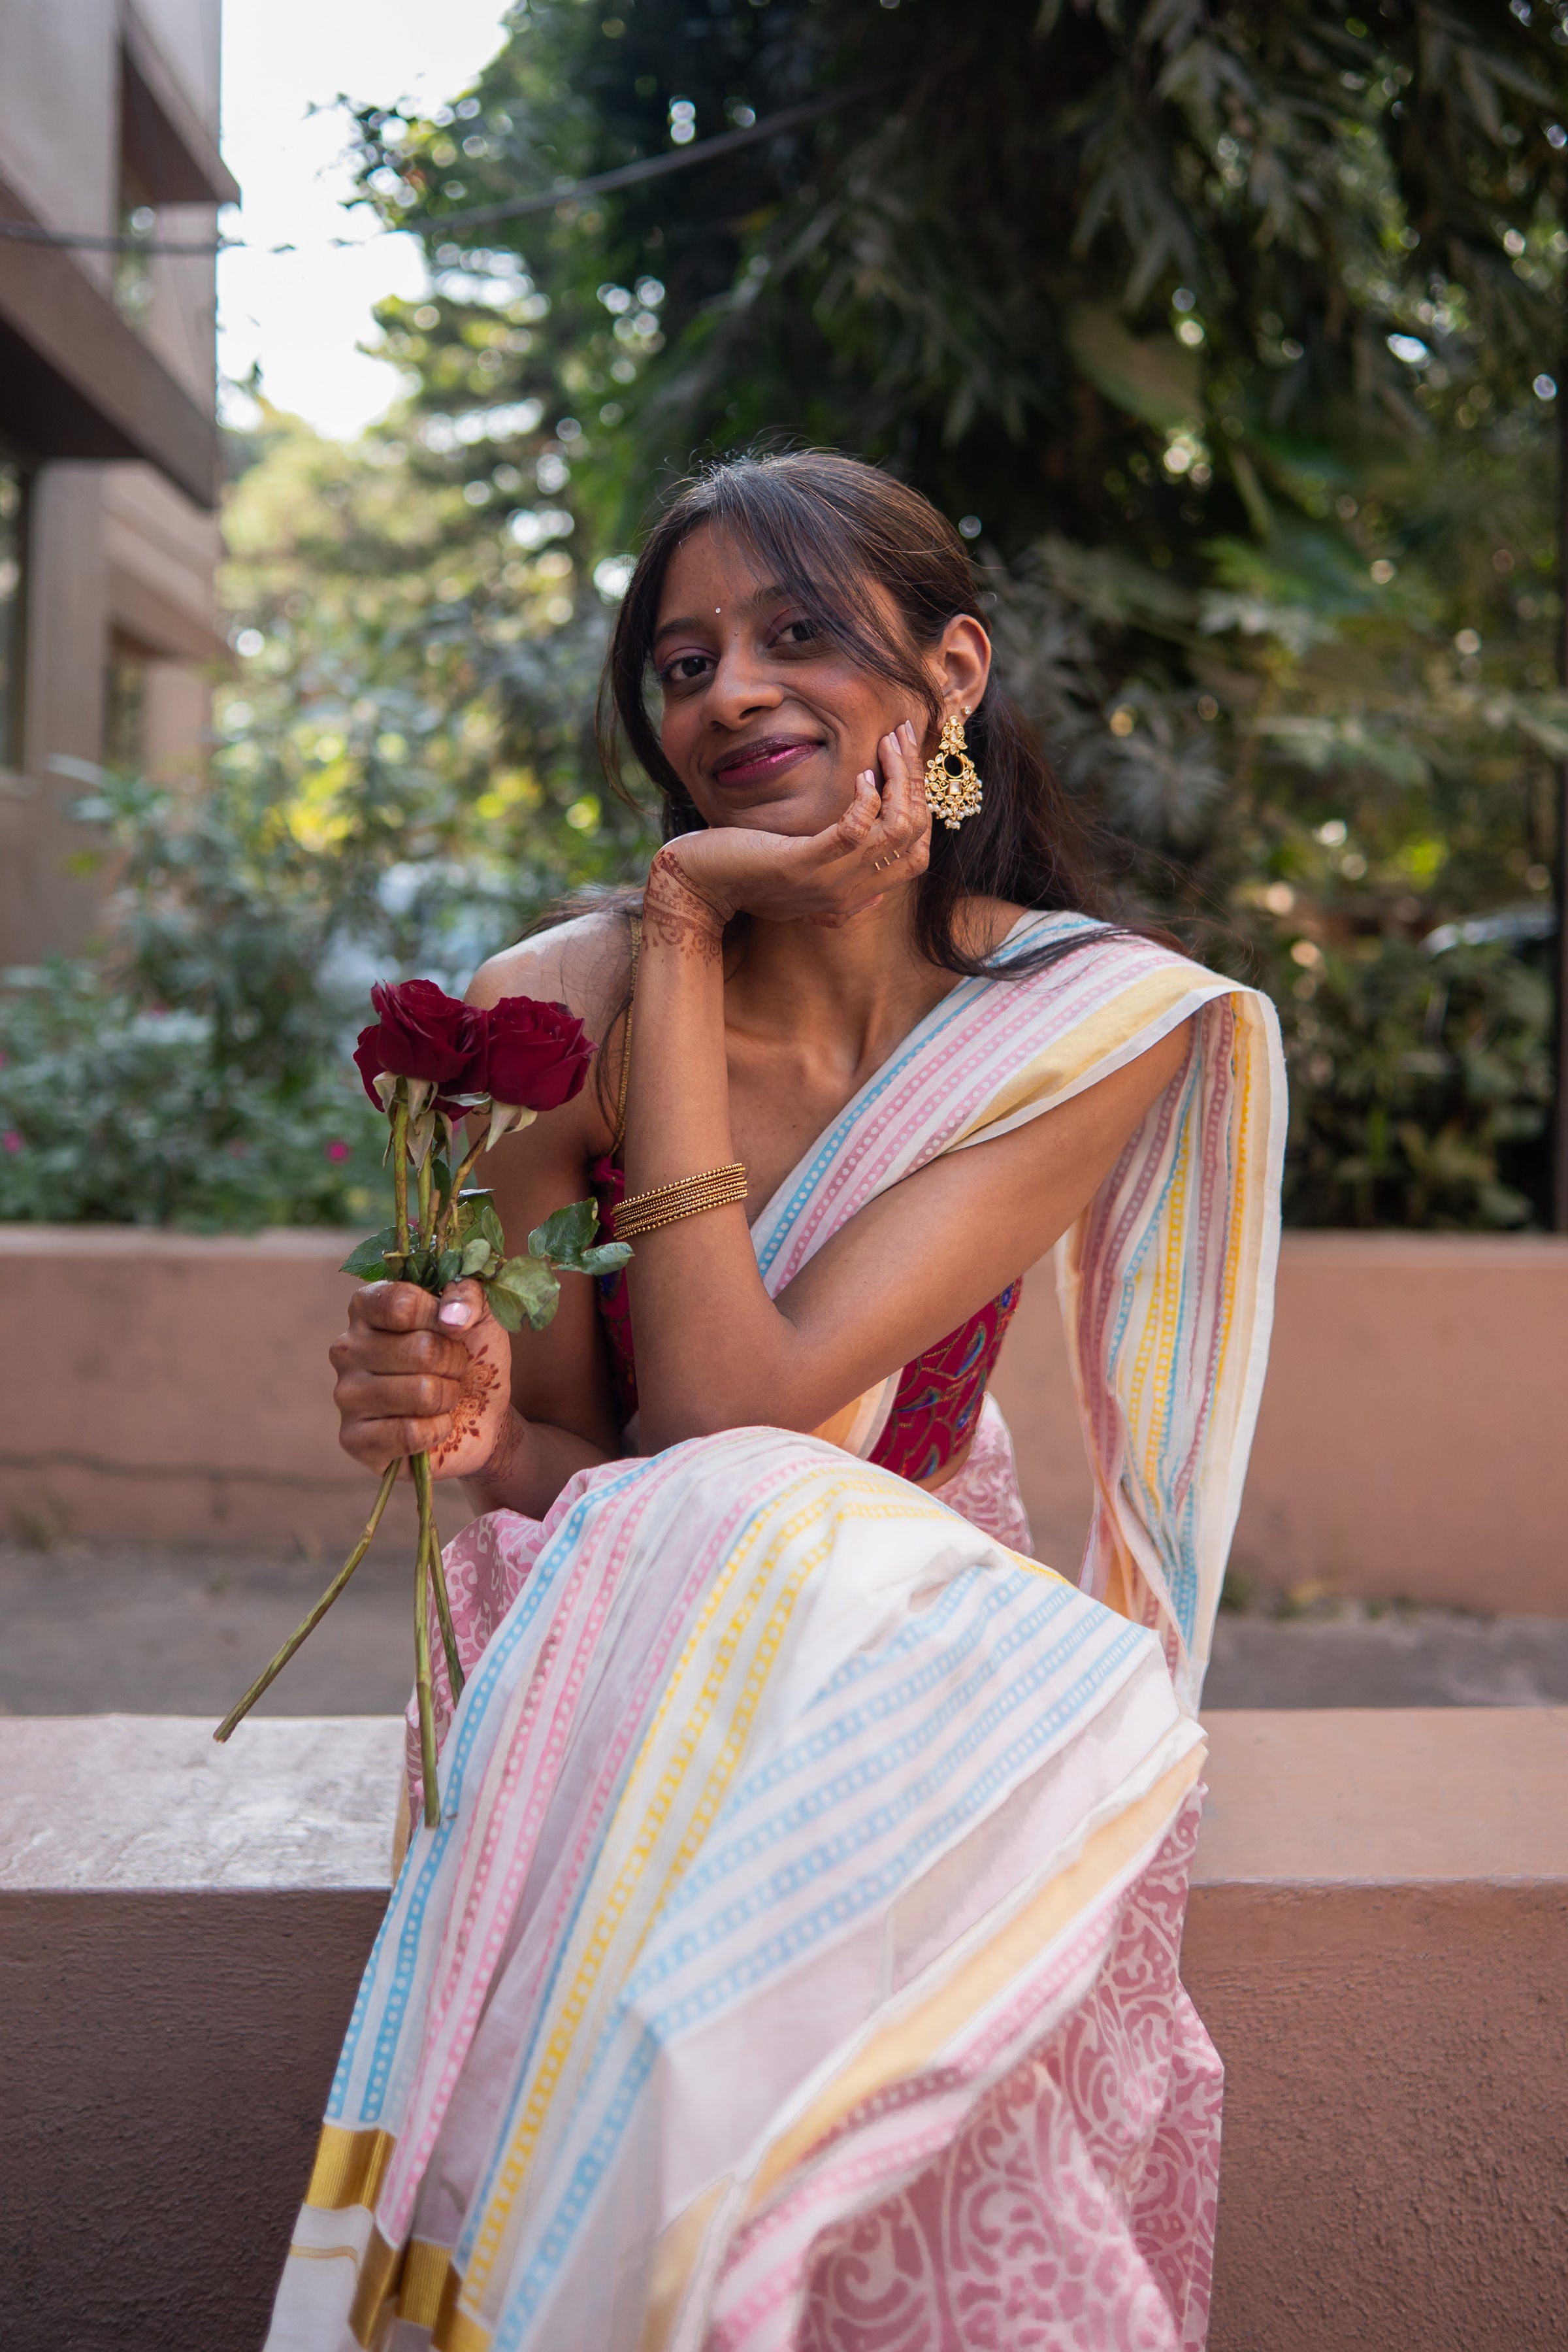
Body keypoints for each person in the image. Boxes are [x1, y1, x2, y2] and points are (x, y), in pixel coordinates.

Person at [268, 452, 1283, 2352]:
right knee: (720, 1529)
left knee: (784, 1538)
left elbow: (739, 1408)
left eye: (796, 633)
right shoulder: (552, 1011)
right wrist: (468, 1414)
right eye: (679, 661)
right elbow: (604, 1481)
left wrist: (676, 923)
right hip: (625, 1610)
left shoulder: (1074, 1029)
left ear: (952, 673)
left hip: (899, 1648)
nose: (725, 691)